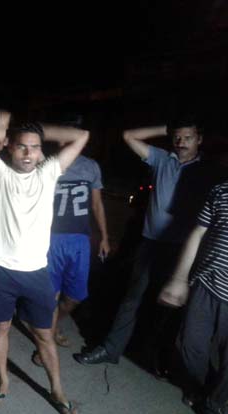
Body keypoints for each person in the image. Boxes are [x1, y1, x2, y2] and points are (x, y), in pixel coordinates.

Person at [74, 116, 219, 373]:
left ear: (199, 139)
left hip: (183, 250)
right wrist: (166, 128)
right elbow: (129, 136)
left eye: (188, 137)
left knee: (169, 308)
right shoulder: (162, 158)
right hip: (151, 243)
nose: (181, 141)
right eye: (177, 136)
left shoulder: (207, 171)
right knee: (132, 299)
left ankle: (159, 361)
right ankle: (111, 349)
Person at [0, 107, 88, 414]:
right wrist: (11, 130)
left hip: (37, 271)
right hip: (0, 269)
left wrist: (35, 131)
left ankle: (57, 390)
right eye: (21, 146)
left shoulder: (48, 173)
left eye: (35, 147)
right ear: (9, 147)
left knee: (45, 335)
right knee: (0, 329)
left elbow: (81, 136)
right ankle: (3, 382)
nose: (28, 153)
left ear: (41, 151)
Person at [158, 181, 228, 414]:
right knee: (189, 345)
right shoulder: (221, 190)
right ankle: (204, 390)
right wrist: (179, 278)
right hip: (207, 284)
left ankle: (212, 407)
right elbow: (198, 233)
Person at [32, 139, 110, 366]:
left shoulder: (90, 166)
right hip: (51, 238)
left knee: (75, 297)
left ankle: (53, 325)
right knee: (51, 295)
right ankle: (46, 345)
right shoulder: (49, 163)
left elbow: (97, 204)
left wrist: (104, 236)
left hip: (79, 240)